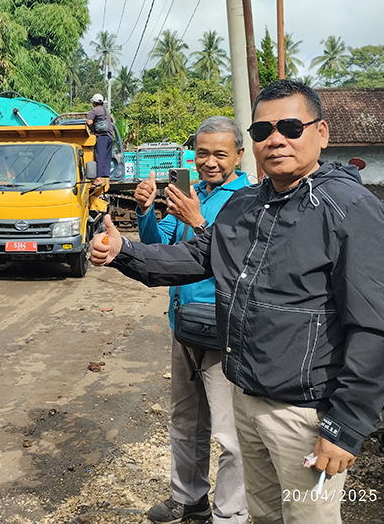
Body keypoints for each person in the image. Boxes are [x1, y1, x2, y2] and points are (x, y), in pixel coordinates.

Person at [91, 79, 384, 524]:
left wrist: (347, 425)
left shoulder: (348, 208)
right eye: (263, 131)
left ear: (322, 133)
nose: (275, 139)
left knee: (306, 519)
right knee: (263, 516)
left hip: (305, 413)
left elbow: (377, 326)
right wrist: (123, 250)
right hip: (248, 396)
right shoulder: (246, 207)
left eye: (291, 127)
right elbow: (196, 257)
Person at [136, 116, 250, 524]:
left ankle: (230, 513)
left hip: (223, 332)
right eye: (202, 153)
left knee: (230, 435)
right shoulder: (189, 192)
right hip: (183, 325)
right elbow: (157, 247)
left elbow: (237, 261)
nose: (210, 162)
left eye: (220, 154)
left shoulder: (249, 199)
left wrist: (197, 221)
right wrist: (146, 210)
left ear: (239, 154)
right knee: (186, 421)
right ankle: (190, 499)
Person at [86, 93, 114, 187]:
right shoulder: (106, 110)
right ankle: (105, 177)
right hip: (110, 136)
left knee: (99, 156)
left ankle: (98, 179)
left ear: (93, 102)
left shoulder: (93, 111)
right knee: (106, 157)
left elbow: (89, 122)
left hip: (102, 136)